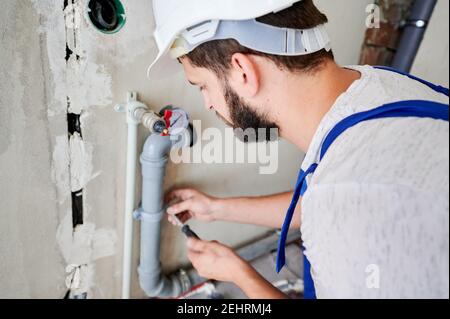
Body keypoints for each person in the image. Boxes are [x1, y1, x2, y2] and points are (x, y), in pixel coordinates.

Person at [147, 0, 449, 298]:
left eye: (202, 85)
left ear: (242, 71)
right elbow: (327, 200)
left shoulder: (350, 217)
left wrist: (239, 274)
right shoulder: (378, 85)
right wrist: (216, 208)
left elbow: (342, 205)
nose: (209, 103)